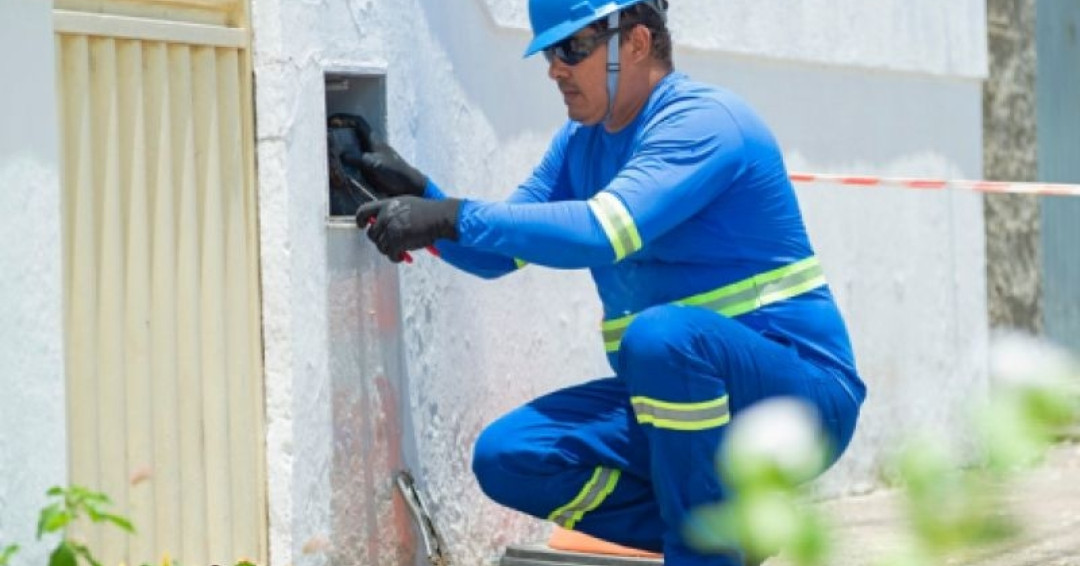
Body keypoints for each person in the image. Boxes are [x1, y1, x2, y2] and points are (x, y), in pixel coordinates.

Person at [353, 1, 866, 564]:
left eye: (572, 47)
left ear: (637, 42)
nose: (556, 68)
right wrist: (421, 196)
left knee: (661, 336)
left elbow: (602, 231)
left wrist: (451, 216)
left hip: (799, 401)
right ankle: (738, 532)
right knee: (510, 456)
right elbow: (499, 255)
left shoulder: (705, 122)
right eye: (550, 53)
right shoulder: (581, 144)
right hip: (680, 399)